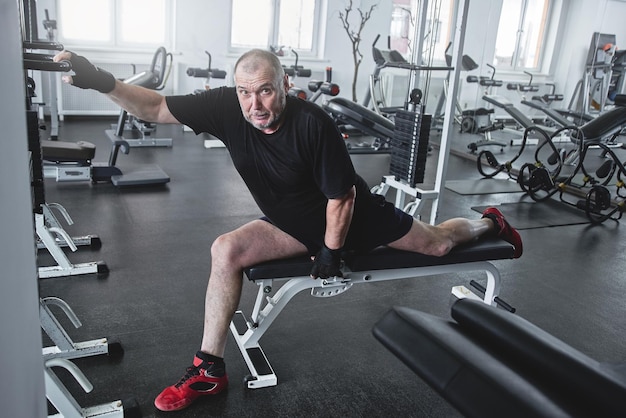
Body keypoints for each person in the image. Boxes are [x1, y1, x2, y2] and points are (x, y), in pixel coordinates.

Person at [54, 48, 523, 412]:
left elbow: (343, 199)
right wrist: (101, 82)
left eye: (264, 91)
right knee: (226, 249)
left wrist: (330, 253)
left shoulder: (313, 125)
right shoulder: (226, 106)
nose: (254, 104)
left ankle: (487, 222)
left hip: (354, 218)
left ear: (285, 85)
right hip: (291, 221)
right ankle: (208, 369)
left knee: (438, 244)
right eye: (244, 92)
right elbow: (155, 107)